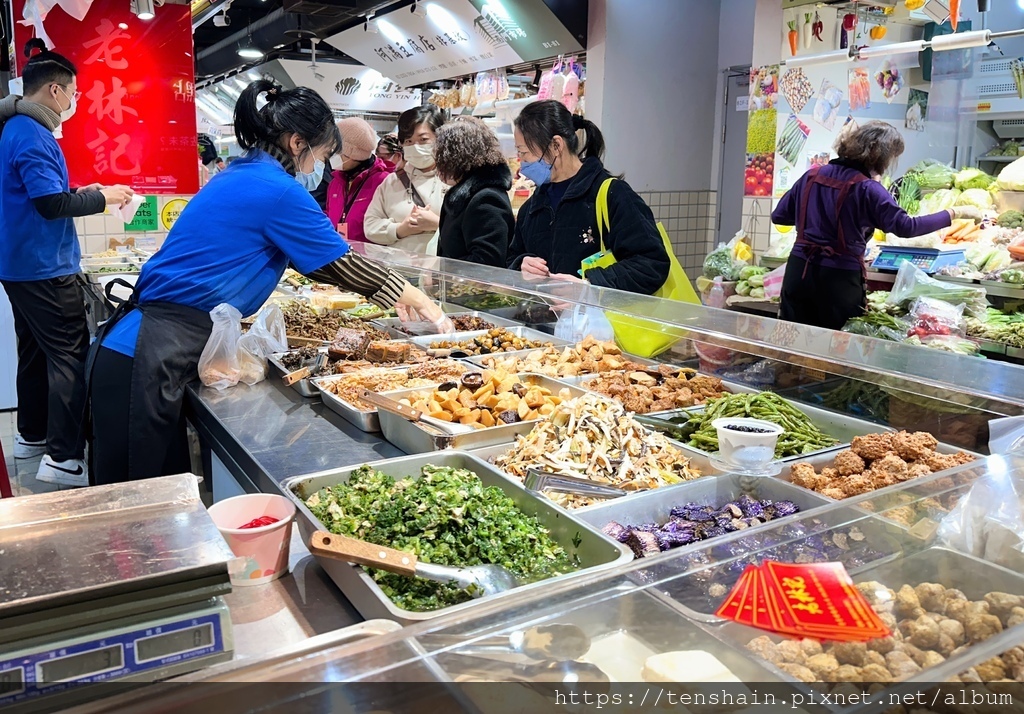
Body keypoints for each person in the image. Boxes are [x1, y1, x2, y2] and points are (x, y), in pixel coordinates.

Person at [89, 80, 453, 485]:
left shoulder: (241, 174)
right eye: (322, 155)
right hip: (145, 356)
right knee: (138, 503)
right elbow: (337, 263)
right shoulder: (276, 189)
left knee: (155, 498)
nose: (320, 167)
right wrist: (415, 296)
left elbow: (309, 257)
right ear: (297, 143)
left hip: (144, 346)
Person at [0, 41, 133, 486]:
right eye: (74, 92)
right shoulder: (32, 134)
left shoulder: (17, 129)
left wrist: (86, 188)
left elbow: (43, 191)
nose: (75, 100)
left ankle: (31, 435)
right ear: (55, 90)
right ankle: (63, 457)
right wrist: (103, 198)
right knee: (69, 357)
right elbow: (50, 204)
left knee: (35, 354)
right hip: (43, 267)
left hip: (20, 265)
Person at [771, 121, 981, 330]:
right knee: (835, 348)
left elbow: (780, 216)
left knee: (793, 342)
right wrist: (954, 213)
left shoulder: (811, 176)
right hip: (838, 281)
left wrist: (815, 219)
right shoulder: (867, 189)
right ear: (880, 156)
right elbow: (905, 227)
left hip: (799, 272)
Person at [508, 100, 669, 294]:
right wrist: (521, 265)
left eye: (524, 153)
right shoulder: (532, 207)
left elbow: (651, 263)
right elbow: (512, 257)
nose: (521, 163)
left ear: (556, 145)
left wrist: (588, 287)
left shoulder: (611, 195)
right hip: (544, 322)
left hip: (598, 322)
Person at [364, 105, 448, 254]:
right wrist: (400, 229)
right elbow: (370, 226)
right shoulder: (391, 182)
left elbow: (474, 230)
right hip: (399, 271)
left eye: (423, 140)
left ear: (440, 138)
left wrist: (437, 224)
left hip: (441, 272)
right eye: (408, 141)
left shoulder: (454, 180)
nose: (415, 147)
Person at [433, 118, 513, 267]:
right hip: (458, 286)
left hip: (472, 289)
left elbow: (487, 262)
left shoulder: (486, 199)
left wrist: (443, 270)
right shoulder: (466, 195)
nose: (437, 164)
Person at [326, 117, 392, 244]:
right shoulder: (336, 181)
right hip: (339, 255)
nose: (332, 156)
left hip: (369, 259)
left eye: (337, 152)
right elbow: (330, 214)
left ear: (353, 155)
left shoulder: (384, 182)